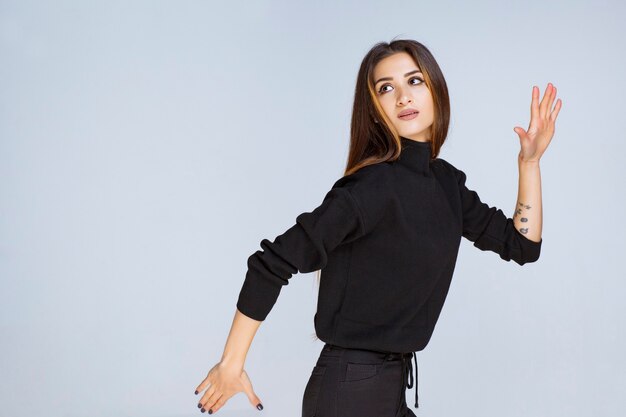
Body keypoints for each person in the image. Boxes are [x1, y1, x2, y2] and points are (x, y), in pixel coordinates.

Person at [193, 39, 562, 416]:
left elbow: (522, 245)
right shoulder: (371, 188)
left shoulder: (446, 184)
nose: (403, 96)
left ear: (436, 91)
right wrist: (231, 364)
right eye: (386, 88)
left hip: (387, 387)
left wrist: (529, 164)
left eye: (414, 81)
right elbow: (272, 262)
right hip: (350, 390)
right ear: (373, 110)